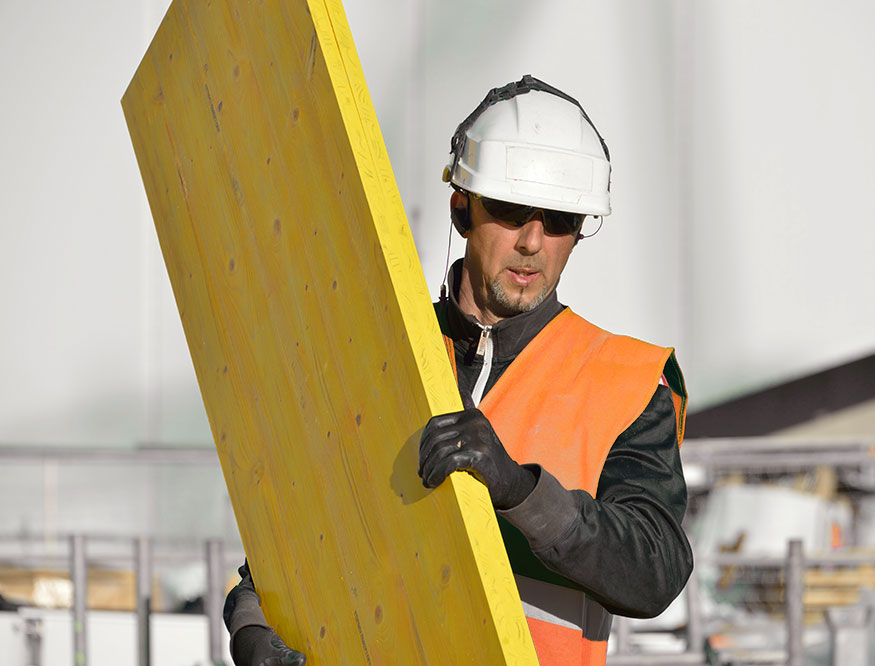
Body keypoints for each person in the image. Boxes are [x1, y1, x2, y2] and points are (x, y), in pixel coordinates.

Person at [224, 74, 692, 666]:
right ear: (461, 209)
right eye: (510, 209)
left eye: (560, 220)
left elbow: (655, 572)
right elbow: (288, 538)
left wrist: (519, 491)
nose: (532, 241)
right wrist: (250, 624)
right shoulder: (375, 352)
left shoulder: (627, 383)